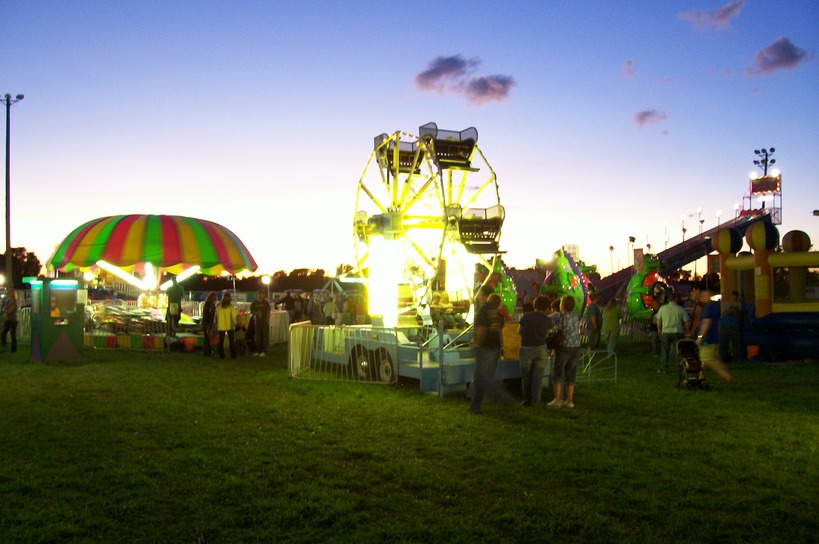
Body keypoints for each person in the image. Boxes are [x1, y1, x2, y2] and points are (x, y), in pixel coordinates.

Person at [469, 293, 514, 413]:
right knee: (482, 377)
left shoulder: (483, 311)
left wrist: (477, 343)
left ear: (486, 297)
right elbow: (500, 327)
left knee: (483, 377)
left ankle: (505, 398)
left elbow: (481, 329)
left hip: (485, 347)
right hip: (495, 347)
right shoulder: (497, 313)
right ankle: (475, 405)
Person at [547, 295, 582, 408]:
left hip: (563, 346)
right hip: (576, 346)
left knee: (558, 372)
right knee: (571, 373)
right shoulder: (576, 316)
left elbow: (546, 322)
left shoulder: (558, 316)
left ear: (562, 305)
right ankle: (570, 400)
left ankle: (558, 399)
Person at [518, 295, 552, 407]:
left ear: (534, 305)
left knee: (526, 376)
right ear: (547, 307)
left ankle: (527, 399)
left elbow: (519, 332)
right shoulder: (547, 319)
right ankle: (535, 401)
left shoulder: (526, 316)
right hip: (541, 348)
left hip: (526, 348)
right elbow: (546, 334)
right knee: (538, 377)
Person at [696, 289, 734, 382]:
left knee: (708, 359)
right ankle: (701, 379)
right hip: (714, 337)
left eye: (703, 295)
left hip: (708, 339)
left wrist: (700, 337)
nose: (702, 297)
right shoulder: (715, 306)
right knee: (703, 360)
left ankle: (727, 376)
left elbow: (706, 322)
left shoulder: (707, 308)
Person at [655, 296, 689, 373]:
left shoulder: (663, 308)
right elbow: (686, 321)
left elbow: (658, 320)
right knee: (678, 351)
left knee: (665, 350)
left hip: (666, 331)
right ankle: (678, 367)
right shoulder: (680, 309)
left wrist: (659, 329)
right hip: (677, 332)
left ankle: (664, 368)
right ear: (675, 299)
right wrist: (687, 330)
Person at [719, 291, 742, 363]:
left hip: (734, 326)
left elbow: (737, 312)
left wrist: (730, 311)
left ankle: (735, 359)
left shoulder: (739, 304)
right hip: (725, 325)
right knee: (724, 343)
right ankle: (726, 359)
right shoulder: (727, 304)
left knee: (735, 344)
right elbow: (723, 312)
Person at [216, 292, 238, 359]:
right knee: (231, 341)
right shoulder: (231, 307)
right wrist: (236, 323)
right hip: (230, 326)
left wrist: (216, 324)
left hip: (221, 326)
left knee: (221, 342)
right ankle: (233, 355)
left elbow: (216, 316)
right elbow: (234, 316)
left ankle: (221, 355)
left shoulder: (219, 307)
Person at [250, 290, 271, 357]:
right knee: (258, 336)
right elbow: (251, 311)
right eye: (260, 294)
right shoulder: (254, 303)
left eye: (262, 294)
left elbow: (268, 311)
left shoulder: (266, 303)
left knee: (264, 336)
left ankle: (264, 351)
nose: (261, 295)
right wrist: (255, 313)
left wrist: (267, 320)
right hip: (257, 321)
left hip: (264, 321)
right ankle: (257, 350)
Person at [201, 292, 217, 357]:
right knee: (208, 337)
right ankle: (207, 351)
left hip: (207, 323)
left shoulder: (208, 305)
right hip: (207, 323)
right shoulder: (210, 305)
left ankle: (207, 351)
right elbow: (209, 315)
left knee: (207, 337)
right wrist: (209, 325)